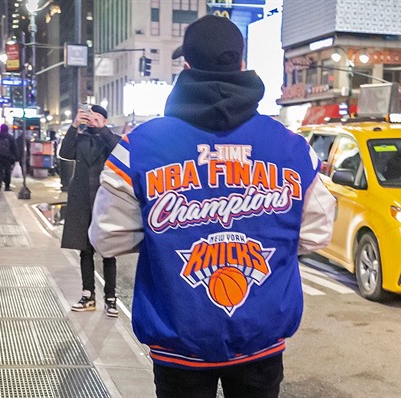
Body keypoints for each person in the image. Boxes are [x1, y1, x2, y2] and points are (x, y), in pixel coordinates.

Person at [89, 15, 335, 398]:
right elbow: (318, 232)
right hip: (260, 337)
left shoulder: (139, 146)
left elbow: (106, 238)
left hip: (178, 339)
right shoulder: (291, 147)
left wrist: (168, 238)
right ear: (242, 62)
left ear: (185, 66)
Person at [59, 104, 120, 317]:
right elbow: (65, 153)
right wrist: (75, 124)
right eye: (89, 117)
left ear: (104, 119)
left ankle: (111, 299)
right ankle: (88, 295)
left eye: (96, 117)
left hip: (106, 201)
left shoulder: (111, 138)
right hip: (83, 200)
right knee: (85, 250)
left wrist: (102, 129)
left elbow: (120, 153)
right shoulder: (81, 137)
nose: (91, 120)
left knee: (108, 251)